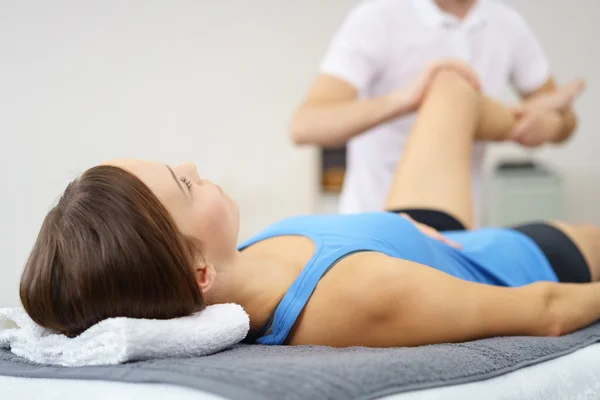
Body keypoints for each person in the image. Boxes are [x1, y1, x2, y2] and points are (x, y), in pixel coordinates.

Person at [20, 68, 598, 349]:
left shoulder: (232, 270)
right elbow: (547, 312)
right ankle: (547, 116)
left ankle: (539, 119)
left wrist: (399, 232)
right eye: (183, 185)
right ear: (200, 272)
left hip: (420, 234)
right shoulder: (349, 298)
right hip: (527, 259)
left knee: (450, 89)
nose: (194, 166)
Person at [290, 0, 584, 220]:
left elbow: (563, 116)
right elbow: (305, 125)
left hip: (456, 225)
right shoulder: (379, 17)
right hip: (372, 227)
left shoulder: (507, 24)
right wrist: (404, 100)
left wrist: (552, 125)